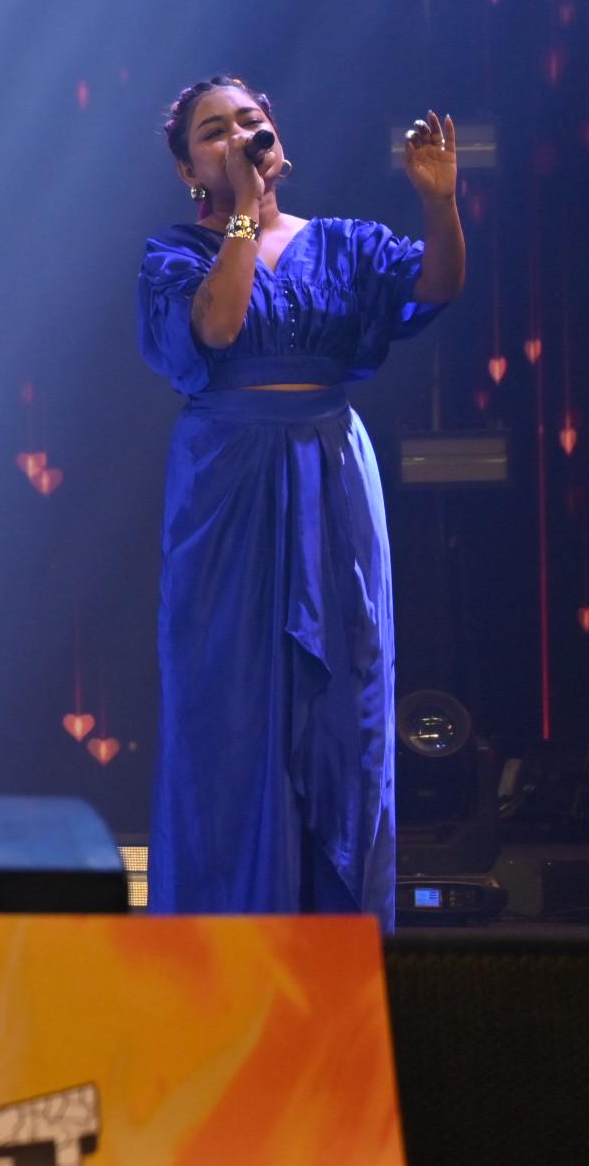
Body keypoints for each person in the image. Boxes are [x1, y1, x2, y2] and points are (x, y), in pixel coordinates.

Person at [139, 76, 464, 919]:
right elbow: (217, 327)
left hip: (330, 467)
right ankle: (226, 941)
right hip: (227, 479)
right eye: (214, 130)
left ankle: (336, 936)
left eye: (251, 120)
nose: (239, 135)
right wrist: (245, 214)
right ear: (188, 169)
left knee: (343, 699)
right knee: (228, 703)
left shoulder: (346, 244)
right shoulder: (174, 254)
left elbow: (436, 286)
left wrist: (439, 203)